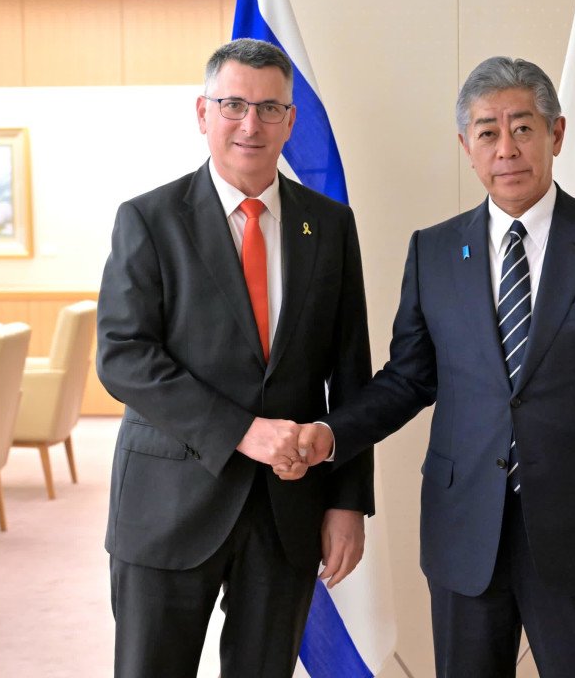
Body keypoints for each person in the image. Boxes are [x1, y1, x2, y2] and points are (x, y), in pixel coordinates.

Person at [285, 57, 575, 677]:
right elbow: (409, 377)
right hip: (464, 525)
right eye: (487, 132)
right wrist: (332, 433)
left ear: (556, 134)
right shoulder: (434, 249)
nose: (506, 150)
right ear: (466, 146)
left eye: (522, 128)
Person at [96, 38, 374, 678]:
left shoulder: (330, 227)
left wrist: (348, 501)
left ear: (290, 121)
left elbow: (351, 372)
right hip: (167, 506)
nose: (251, 124)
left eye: (270, 108)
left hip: (287, 512)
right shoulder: (148, 219)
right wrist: (243, 431)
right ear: (203, 113)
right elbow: (123, 356)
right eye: (234, 105)